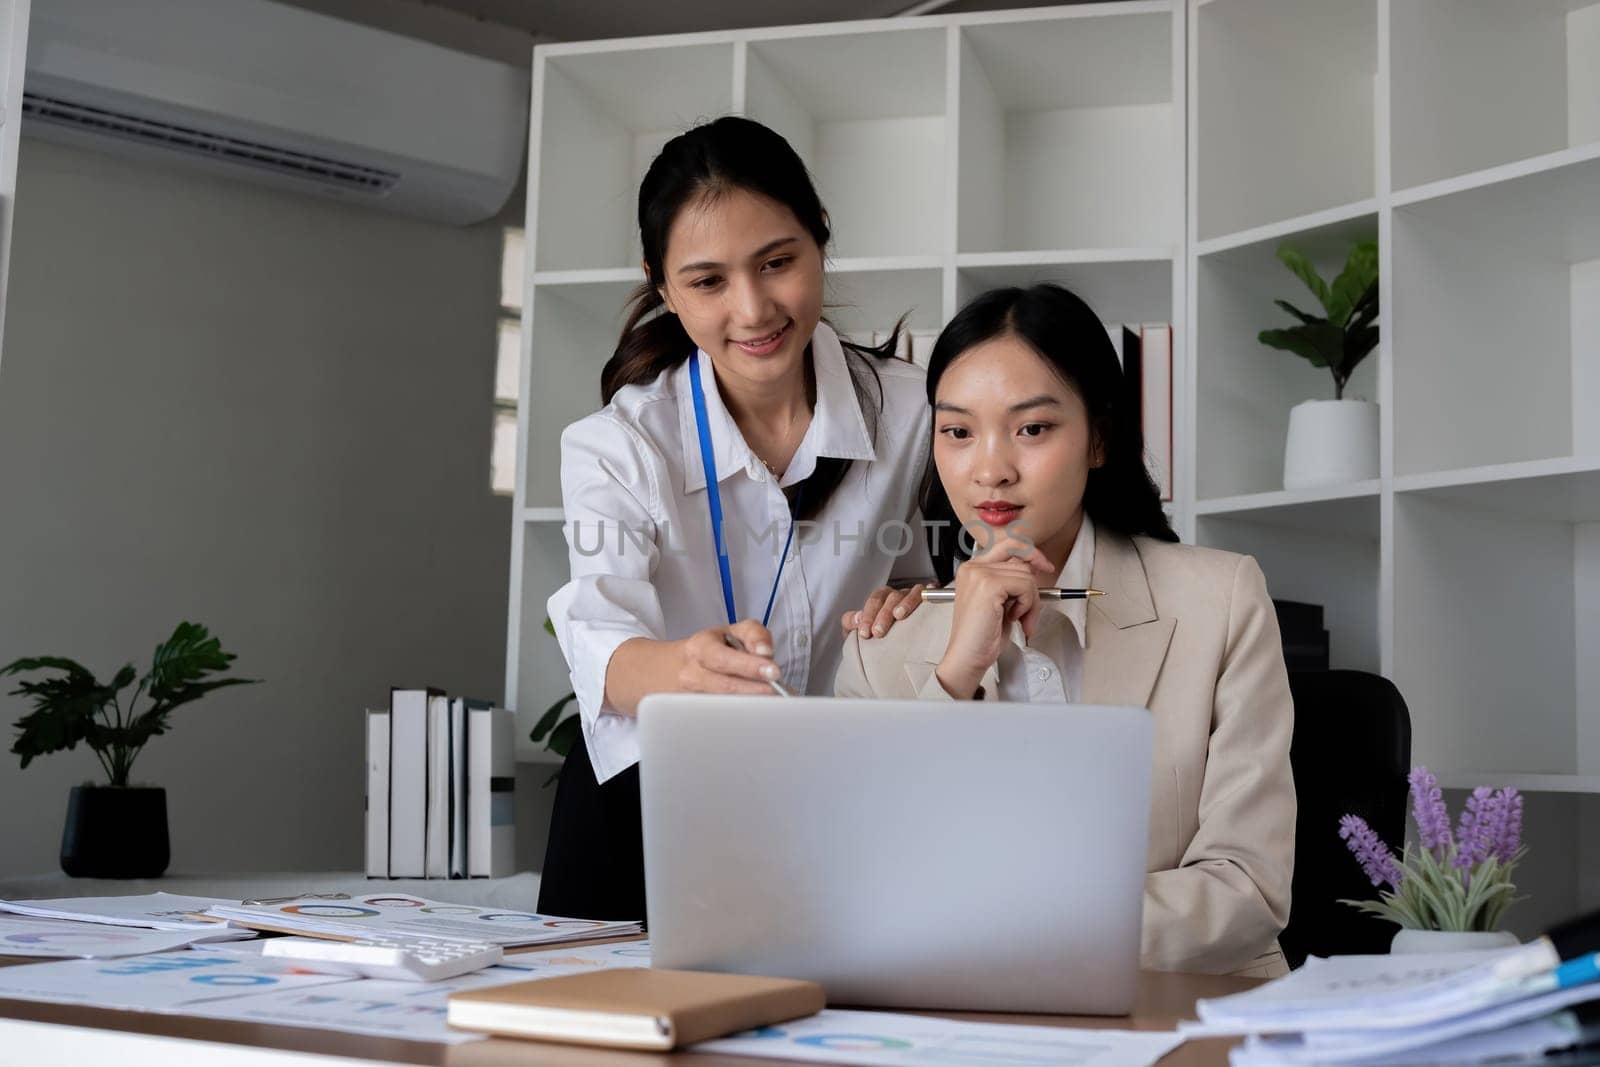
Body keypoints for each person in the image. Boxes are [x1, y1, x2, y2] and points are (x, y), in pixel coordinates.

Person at [835, 283, 1296, 978]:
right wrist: (953, 675)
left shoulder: (1221, 599)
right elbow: (867, 885)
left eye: (1032, 428)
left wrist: (1018, 933)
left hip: (1180, 1010)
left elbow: (1246, 888)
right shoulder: (883, 647)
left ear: (1099, 438)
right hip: (956, 1027)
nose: (991, 468)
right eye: (958, 431)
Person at [540, 117, 934, 922]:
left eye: (777, 263)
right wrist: (686, 667)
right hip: (655, 801)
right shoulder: (617, 446)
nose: (753, 310)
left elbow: (926, 576)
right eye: (709, 281)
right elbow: (601, 641)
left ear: (820, 237)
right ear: (663, 286)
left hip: (843, 800)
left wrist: (916, 607)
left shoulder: (913, 411)